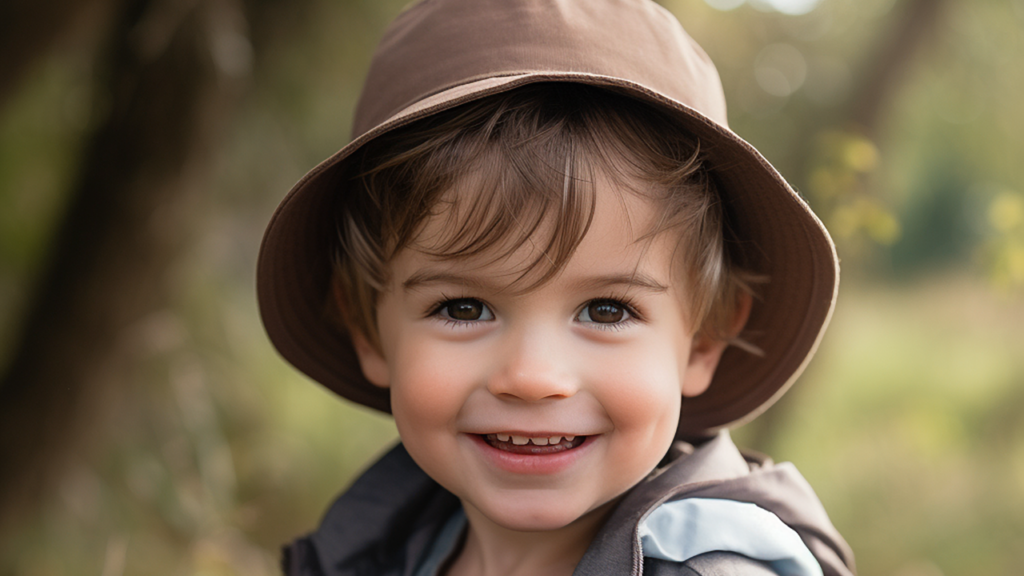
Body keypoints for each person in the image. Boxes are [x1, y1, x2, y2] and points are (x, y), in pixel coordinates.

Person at [256, 0, 856, 575]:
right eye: (463, 307)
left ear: (703, 341)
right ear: (368, 331)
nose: (533, 377)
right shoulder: (380, 548)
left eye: (605, 309)